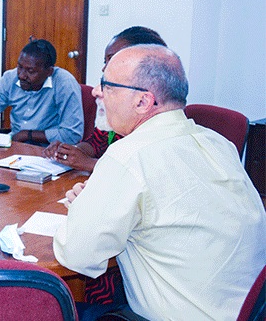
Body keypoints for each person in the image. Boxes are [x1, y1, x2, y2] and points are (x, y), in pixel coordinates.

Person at [53, 45, 266, 320]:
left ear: (143, 102)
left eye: (107, 85)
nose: (96, 91)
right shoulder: (218, 142)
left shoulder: (128, 156)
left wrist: (83, 207)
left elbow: (77, 256)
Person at [44, 26, 167, 172]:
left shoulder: (155, 120)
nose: (105, 69)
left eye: (113, 59)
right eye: (106, 61)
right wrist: (71, 151)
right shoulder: (119, 104)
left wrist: (88, 163)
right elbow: (96, 142)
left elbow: (138, 172)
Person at [0, 38, 83, 144]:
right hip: (15, 147)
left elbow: (72, 134)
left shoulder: (64, 83)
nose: (21, 75)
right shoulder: (11, 78)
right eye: (19, 67)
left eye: (30, 71)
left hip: (49, 152)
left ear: (49, 72)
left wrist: (27, 135)